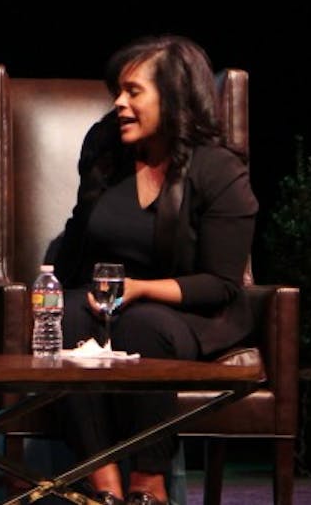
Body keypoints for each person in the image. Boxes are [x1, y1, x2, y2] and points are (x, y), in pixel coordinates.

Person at [50, 35, 257, 505]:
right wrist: (49, 289)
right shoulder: (107, 149)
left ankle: (149, 483)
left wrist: (141, 288)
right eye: (117, 92)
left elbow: (220, 285)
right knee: (65, 316)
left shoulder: (218, 169)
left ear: (175, 96)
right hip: (106, 303)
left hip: (188, 313)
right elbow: (80, 232)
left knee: (143, 326)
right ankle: (102, 484)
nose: (119, 103)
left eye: (133, 91)